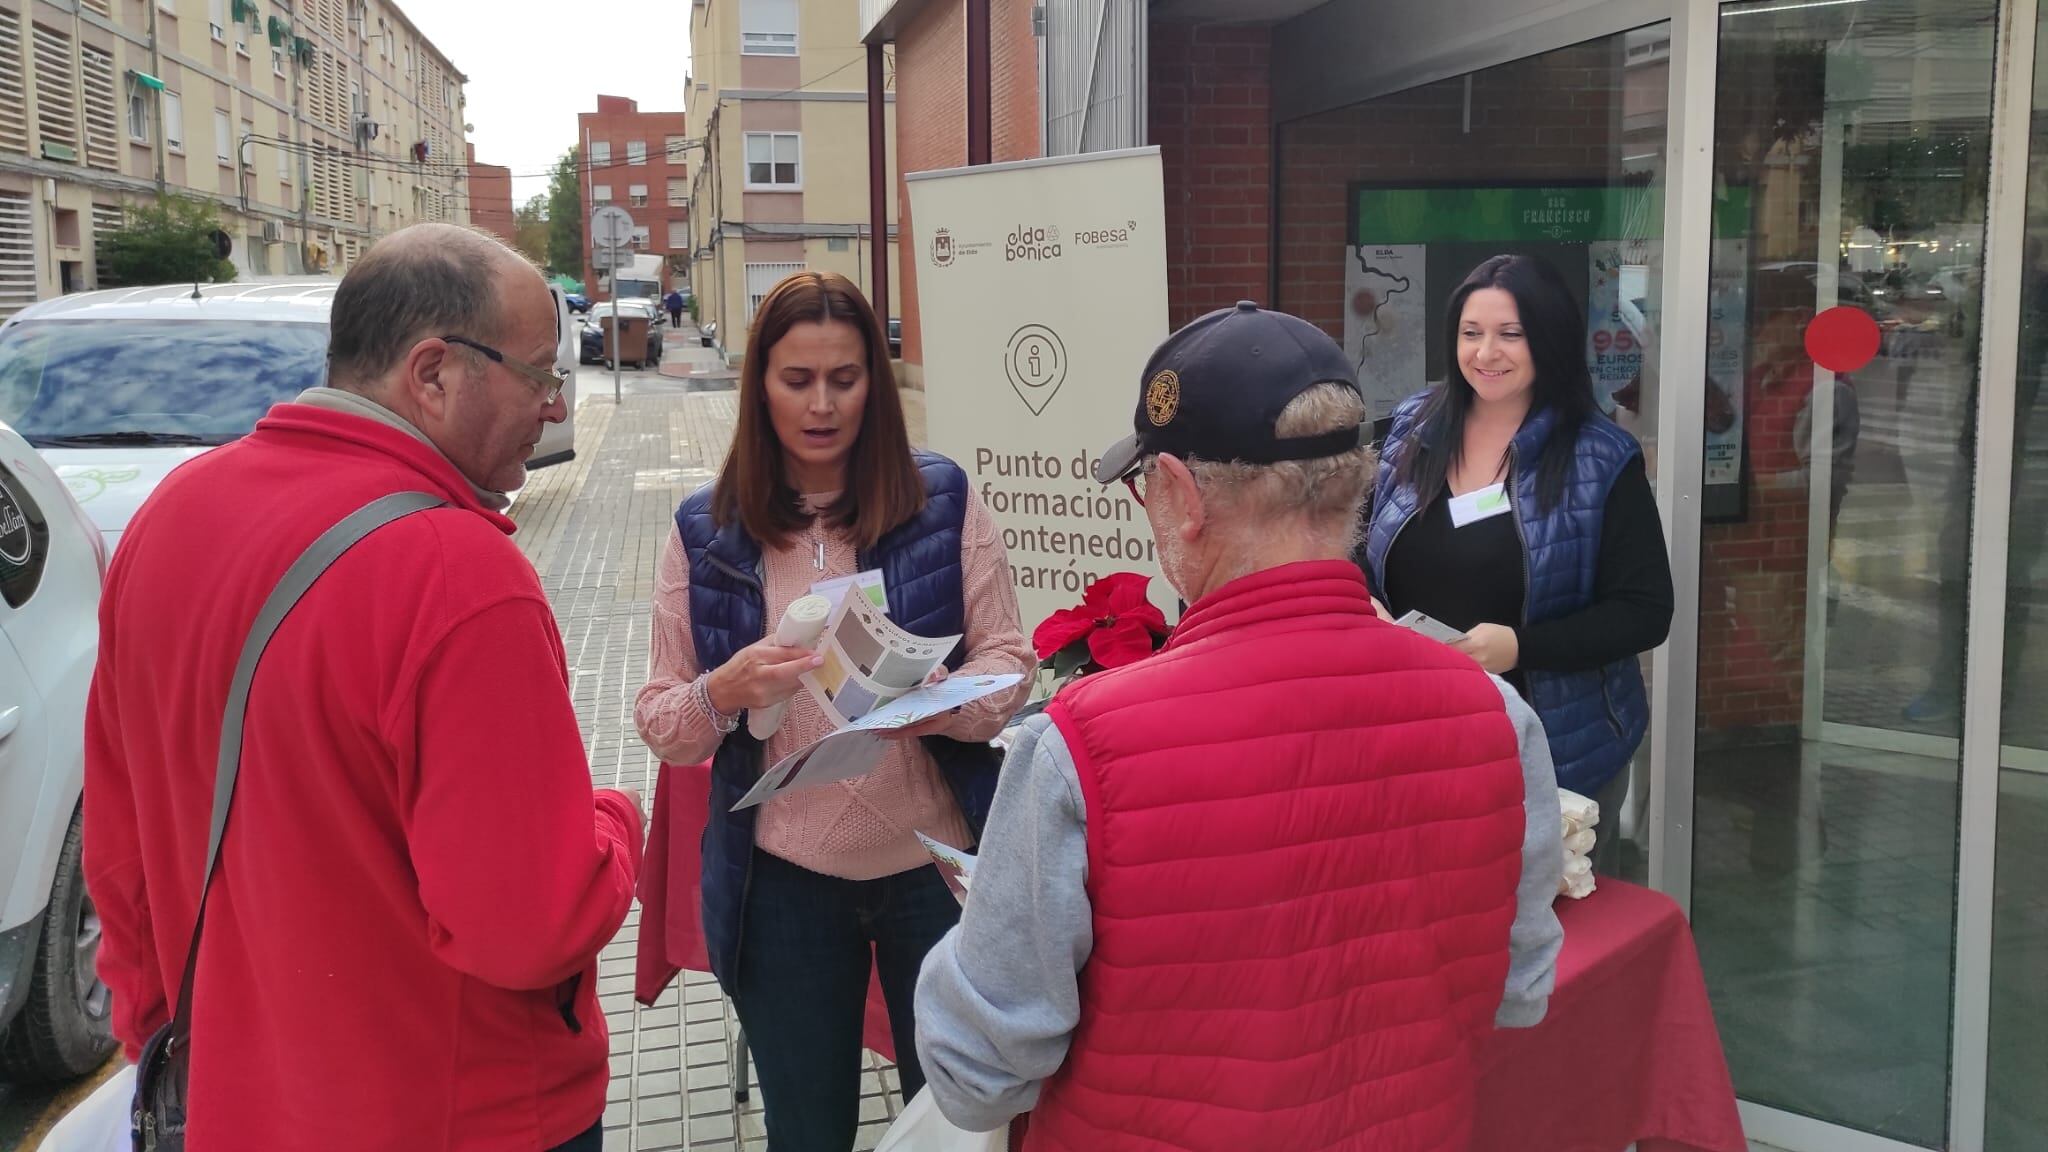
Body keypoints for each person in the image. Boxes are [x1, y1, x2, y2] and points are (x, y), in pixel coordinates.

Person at [915, 301, 1565, 1151]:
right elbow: (1518, 991)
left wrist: (975, 931)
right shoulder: (1500, 717)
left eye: (1148, 482)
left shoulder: (1079, 747)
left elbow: (977, 1076)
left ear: (1182, 495)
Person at [82, 224, 644, 1150]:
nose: (552, 408)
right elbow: (529, 924)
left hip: (233, 1101)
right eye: (541, 377)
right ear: (433, 374)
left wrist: (155, 1030)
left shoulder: (168, 518)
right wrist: (618, 824)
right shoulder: (459, 574)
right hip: (458, 1113)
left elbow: (120, 835)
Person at [633, 270, 1034, 1150]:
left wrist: (935, 707)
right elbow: (663, 721)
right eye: (797, 379)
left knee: (960, 1128)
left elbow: (1011, 665)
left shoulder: (942, 502)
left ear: (875, 385)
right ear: (760, 385)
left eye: (845, 379)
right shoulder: (707, 533)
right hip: (782, 885)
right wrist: (725, 690)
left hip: (936, 877)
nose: (823, 405)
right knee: (807, 1131)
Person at [1364, 255, 1673, 868]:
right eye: (1471, 333)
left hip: (1558, 748)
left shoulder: (1600, 456)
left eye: (1511, 334)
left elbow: (1645, 612)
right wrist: (1362, 601)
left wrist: (1520, 648)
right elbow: (1357, 540)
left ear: (1548, 337)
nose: (1486, 353)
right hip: (1421, 732)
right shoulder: (1412, 426)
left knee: (1556, 934)